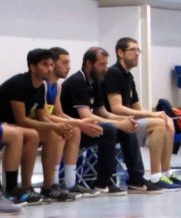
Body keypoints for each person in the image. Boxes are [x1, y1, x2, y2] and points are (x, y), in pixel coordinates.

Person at [103, 37, 181, 191]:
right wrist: (153, 116)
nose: (137, 53)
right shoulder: (114, 73)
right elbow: (116, 108)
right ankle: (155, 177)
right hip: (117, 124)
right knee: (158, 124)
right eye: (133, 50)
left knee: (167, 122)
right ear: (120, 53)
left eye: (138, 50)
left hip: (131, 122)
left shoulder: (129, 76)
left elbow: (137, 108)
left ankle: (167, 173)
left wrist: (157, 114)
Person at [61, 46, 137, 195]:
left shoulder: (95, 82)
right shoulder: (77, 81)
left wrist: (125, 120)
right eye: (102, 64)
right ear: (89, 64)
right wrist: (118, 124)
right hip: (73, 130)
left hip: (87, 129)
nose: (106, 68)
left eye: (106, 64)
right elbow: (86, 116)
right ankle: (103, 182)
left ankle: (136, 179)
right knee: (110, 129)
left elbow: (102, 112)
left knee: (127, 128)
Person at [0, 49, 72, 202]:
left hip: (15, 125)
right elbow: (21, 120)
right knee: (33, 134)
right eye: (45, 64)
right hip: (6, 124)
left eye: (51, 64)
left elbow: (42, 117)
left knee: (53, 135)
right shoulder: (19, 83)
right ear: (32, 67)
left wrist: (58, 128)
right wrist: (54, 126)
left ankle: (48, 186)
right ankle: (22, 187)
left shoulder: (40, 87)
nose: (50, 69)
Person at [46, 47, 103, 197]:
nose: (69, 67)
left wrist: (77, 123)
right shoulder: (43, 85)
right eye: (64, 62)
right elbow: (45, 116)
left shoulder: (57, 86)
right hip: (32, 124)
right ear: (52, 63)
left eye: (69, 63)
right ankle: (52, 183)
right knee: (61, 130)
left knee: (73, 129)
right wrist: (79, 122)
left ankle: (70, 183)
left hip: (45, 123)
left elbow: (59, 114)